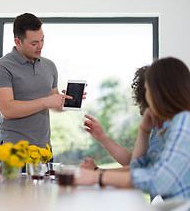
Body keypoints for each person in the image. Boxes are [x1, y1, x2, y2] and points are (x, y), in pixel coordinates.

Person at [75, 57, 190, 200]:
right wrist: (144, 131)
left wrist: (98, 175)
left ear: (158, 92)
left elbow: (159, 181)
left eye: (148, 89)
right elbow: (138, 168)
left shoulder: (183, 123)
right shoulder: (169, 125)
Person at [0, 13, 73, 149]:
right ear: (17, 42)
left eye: (42, 40)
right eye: (34, 43)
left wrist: (69, 101)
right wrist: (46, 101)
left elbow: (54, 104)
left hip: (44, 149)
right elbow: (7, 110)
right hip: (12, 150)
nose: (40, 46)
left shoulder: (49, 66)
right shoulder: (2, 66)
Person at [81, 66, 149, 169]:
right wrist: (102, 136)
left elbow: (141, 171)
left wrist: (96, 172)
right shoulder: (158, 127)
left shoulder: (170, 127)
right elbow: (135, 162)